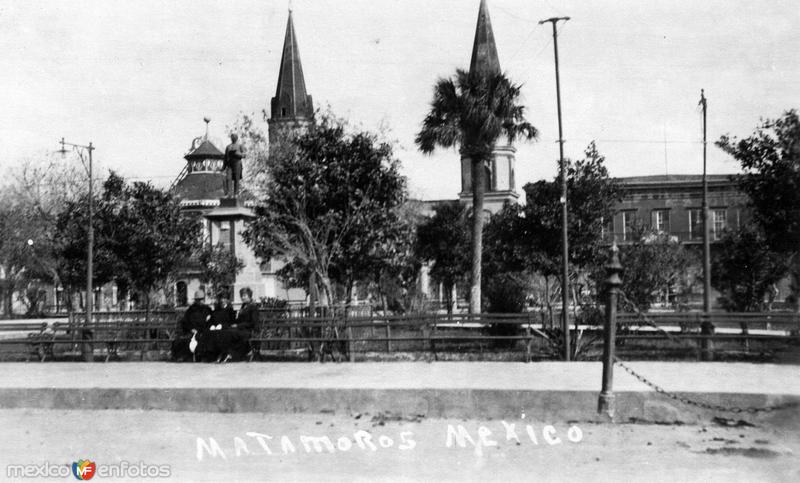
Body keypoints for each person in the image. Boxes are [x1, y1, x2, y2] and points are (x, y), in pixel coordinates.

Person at [234, 287, 260, 360]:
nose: (242, 297)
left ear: (249, 296)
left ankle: (247, 351)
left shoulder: (253, 307)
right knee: (228, 331)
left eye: (244, 296)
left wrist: (238, 325)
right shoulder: (243, 306)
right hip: (242, 328)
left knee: (233, 333)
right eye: (241, 296)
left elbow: (253, 322)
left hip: (249, 330)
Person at [223, 133, 245, 198]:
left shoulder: (240, 145)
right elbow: (225, 157)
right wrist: (223, 167)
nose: (233, 138)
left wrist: (237, 154)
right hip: (229, 164)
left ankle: (236, 194)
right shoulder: (228, 147)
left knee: (236, 179)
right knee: (228, 178)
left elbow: (244, 155)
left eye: (234, 137)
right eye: (232, 137)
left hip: (237, 163)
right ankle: (228, 193)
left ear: (236, 138)